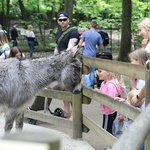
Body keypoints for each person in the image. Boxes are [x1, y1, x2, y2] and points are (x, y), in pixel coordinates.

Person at [54, 11, 79, 118]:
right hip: (60, 63)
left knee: (71, 88)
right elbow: (57, 47)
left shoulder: (73, 32)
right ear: (58, 21)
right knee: (64, 88)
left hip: (70, 64)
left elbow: (70, 48)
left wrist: (61, 60)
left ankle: (76, 113)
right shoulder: (58, 33)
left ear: (68, 20)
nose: (63, 21)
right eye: (60, 20)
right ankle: (67, 112)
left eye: (65, 19)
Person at [94, 70, 122, 135]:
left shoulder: (110, 86)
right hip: (106, 111)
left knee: (106, 131)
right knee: (107, 129)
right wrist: (98, 91)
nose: (98, 73)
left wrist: (98, 97)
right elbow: (103, 93)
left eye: (100, 71)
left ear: (108, 73)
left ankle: (111, 144)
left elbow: (109, 101)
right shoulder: (103, 83)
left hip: (109, 112)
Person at [78, 20, 104, 88]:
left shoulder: (85, 33)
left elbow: (80, 44)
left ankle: (88, 84)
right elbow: (101, 46)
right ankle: (91, 84)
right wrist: (101, 52)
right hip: (93, 54)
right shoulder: (98, 35)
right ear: (96, 26)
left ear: (90, 25)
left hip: (85, 53)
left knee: (85, 69)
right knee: (92, 70)